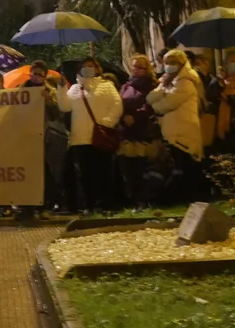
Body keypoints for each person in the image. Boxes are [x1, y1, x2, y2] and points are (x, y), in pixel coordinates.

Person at [58, 57, 123, 213]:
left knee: (104, 172)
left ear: (97, 69)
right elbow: (65, 106)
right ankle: (90, 206)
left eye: (91, 66)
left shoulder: (106, 86)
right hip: (81, 139)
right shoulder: (74, 88)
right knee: (86, 175)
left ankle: (106, 205)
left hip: (100, 135)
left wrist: (107, 122)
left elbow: (117, 105)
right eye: (84, 66)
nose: (88, 69)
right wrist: (61, 88)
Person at [146, 49, 205, 204]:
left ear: (182, 64)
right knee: (179, 164)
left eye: (173, 63)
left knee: (185, 164)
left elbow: (167, 104)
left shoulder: (185, 81)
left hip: (183, 128)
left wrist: (156, 105)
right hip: (173, 128)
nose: (169, 66)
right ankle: (182, 197)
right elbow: (150, 97)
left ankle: (190, 197)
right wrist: (162, 89)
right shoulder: (168, 80)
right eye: (167, 63)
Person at [118, 55, 159, 209]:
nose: (136, 70)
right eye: (134, 66)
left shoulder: (152, 86)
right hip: (127, 131)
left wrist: (135, 116)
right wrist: (123, 116)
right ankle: (133, 199)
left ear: (147, 69)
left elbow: (151, 105)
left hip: (143, 130)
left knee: (143, 167)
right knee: (129, 168)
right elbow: (119, 103)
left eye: (140, 67)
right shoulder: (126, 86)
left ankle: (144, 199)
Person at [205, 51, 235, 155]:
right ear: (225, 65)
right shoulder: (217, 82)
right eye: (234, 61)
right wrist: (221, 85)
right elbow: (210, 97)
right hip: (220, 126)